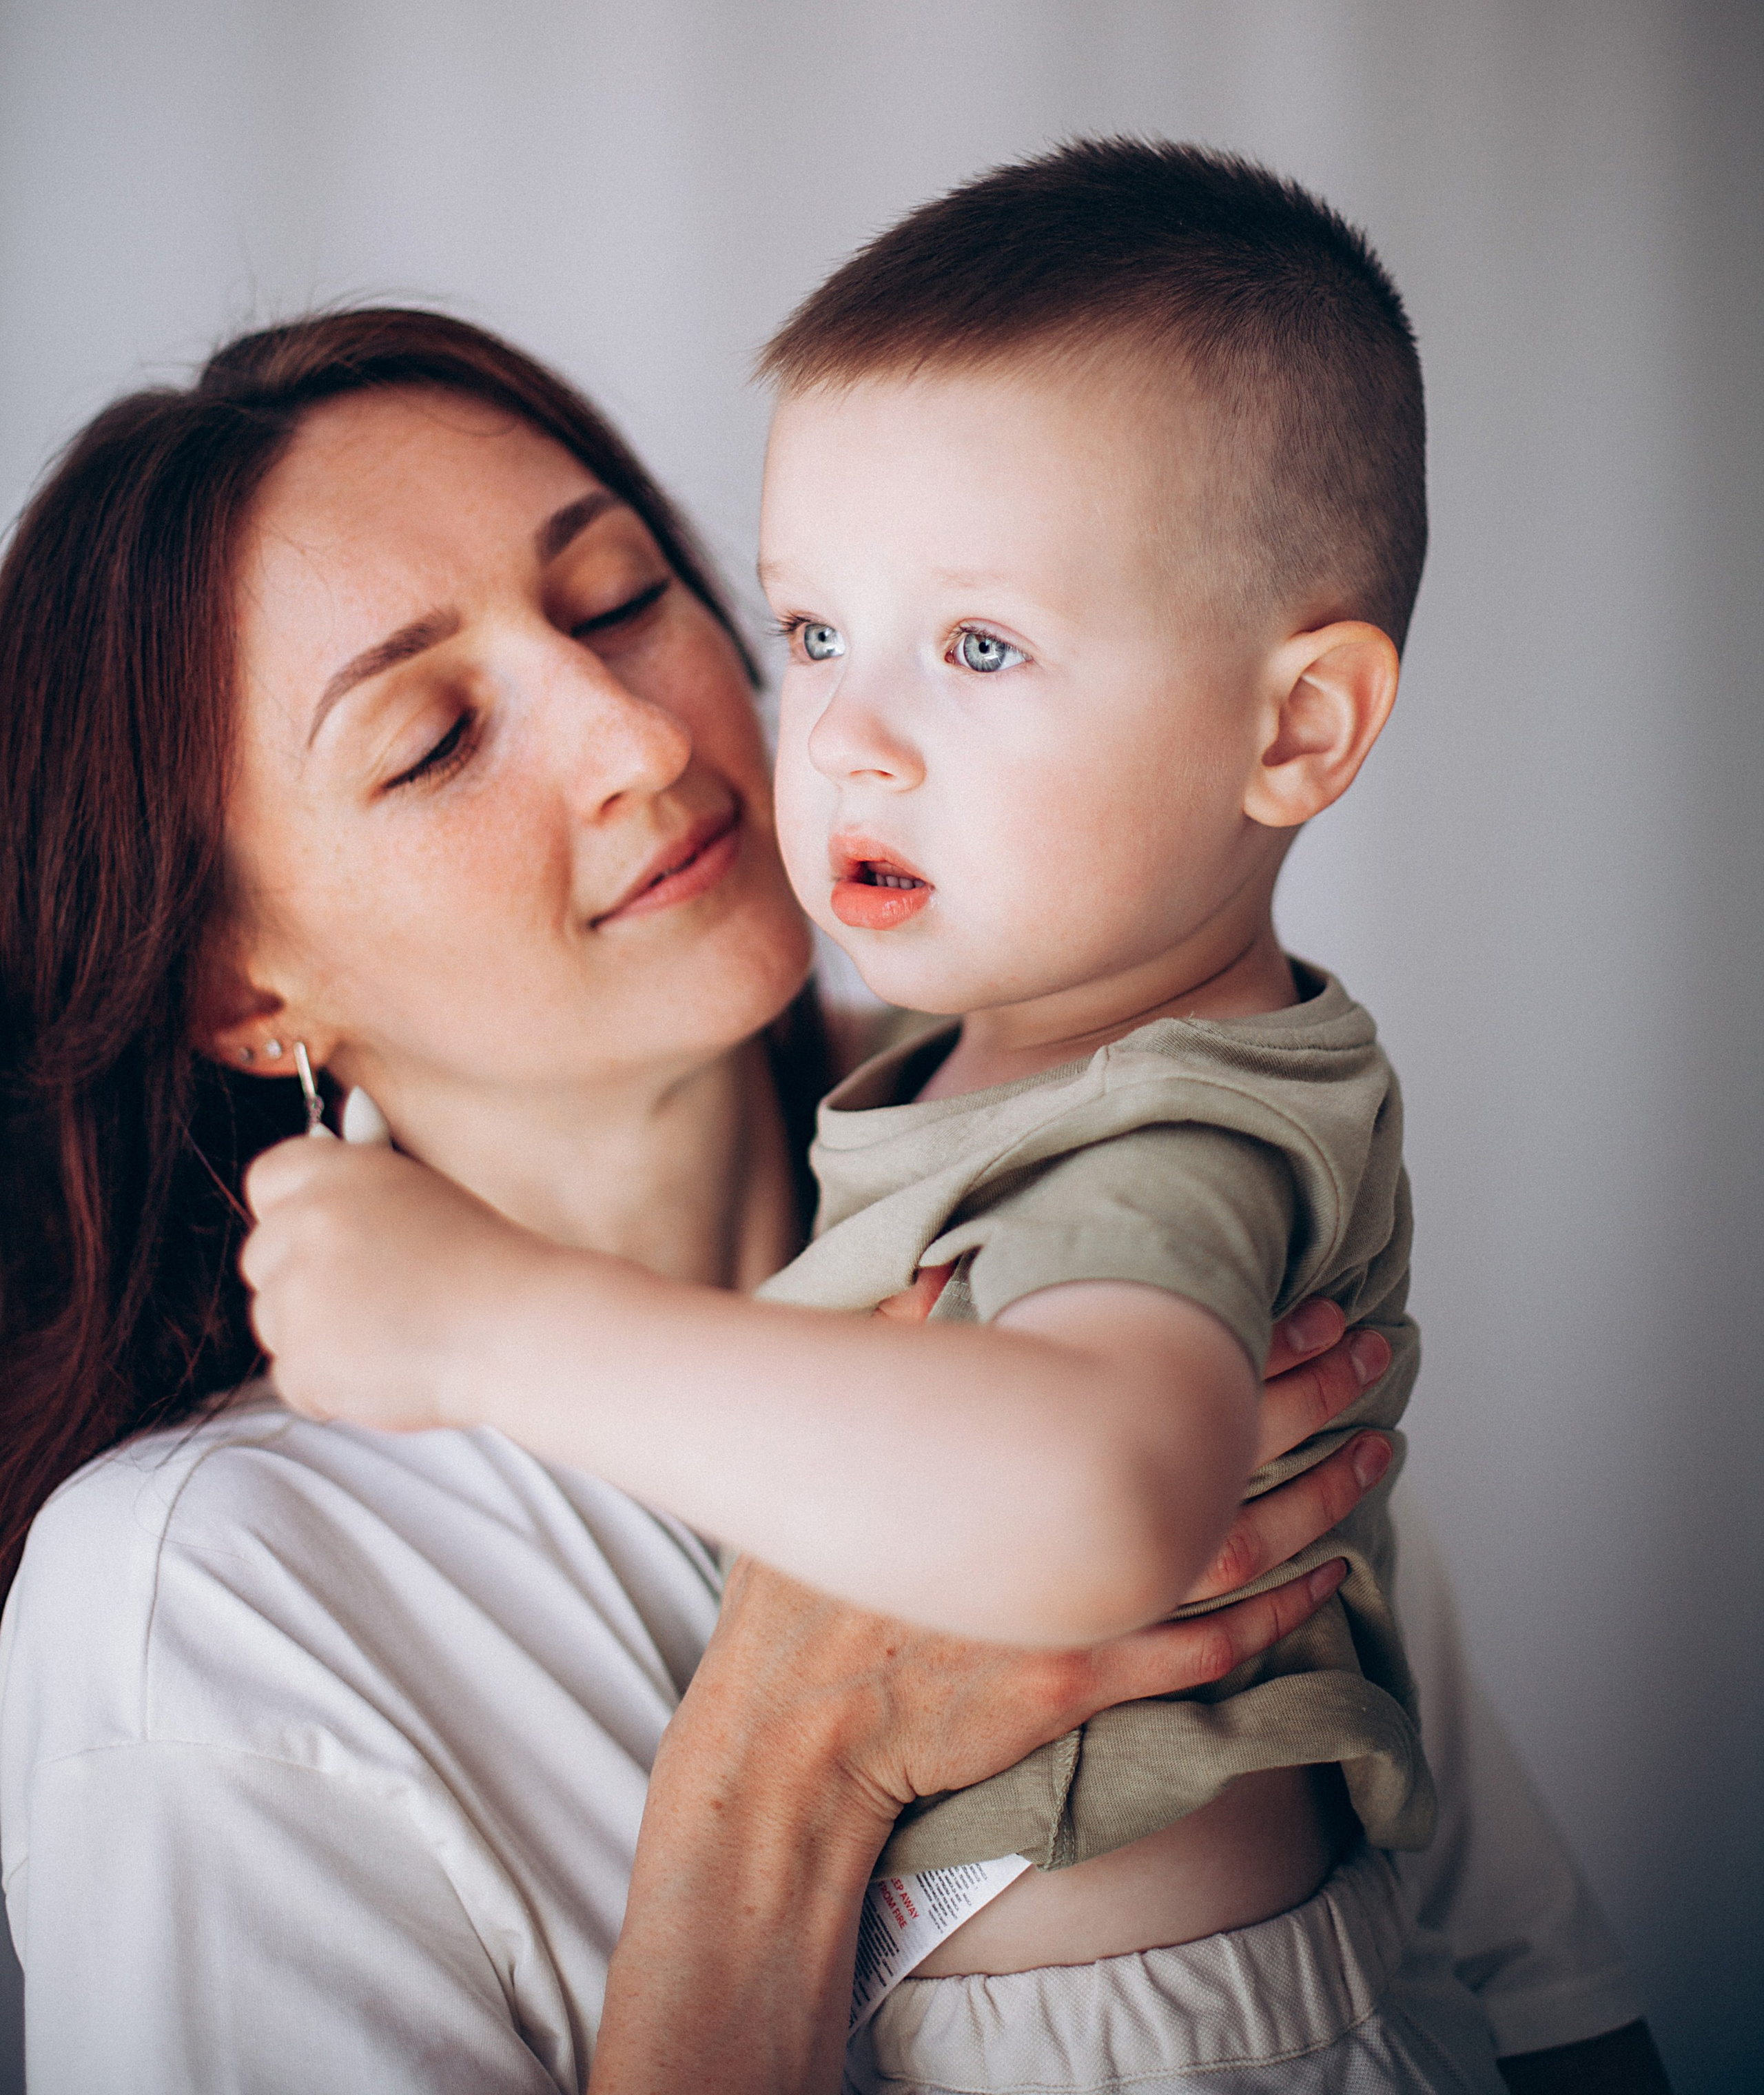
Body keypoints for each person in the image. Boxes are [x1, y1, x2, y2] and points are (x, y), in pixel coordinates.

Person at [0, 307, 1662, 2092]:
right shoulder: (207, 1601)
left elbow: (1531, 1992)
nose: (636, 735)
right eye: (432, 736)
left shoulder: (1089, 1146)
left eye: (622, 597)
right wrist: (785, 1768)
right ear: (244, 989)